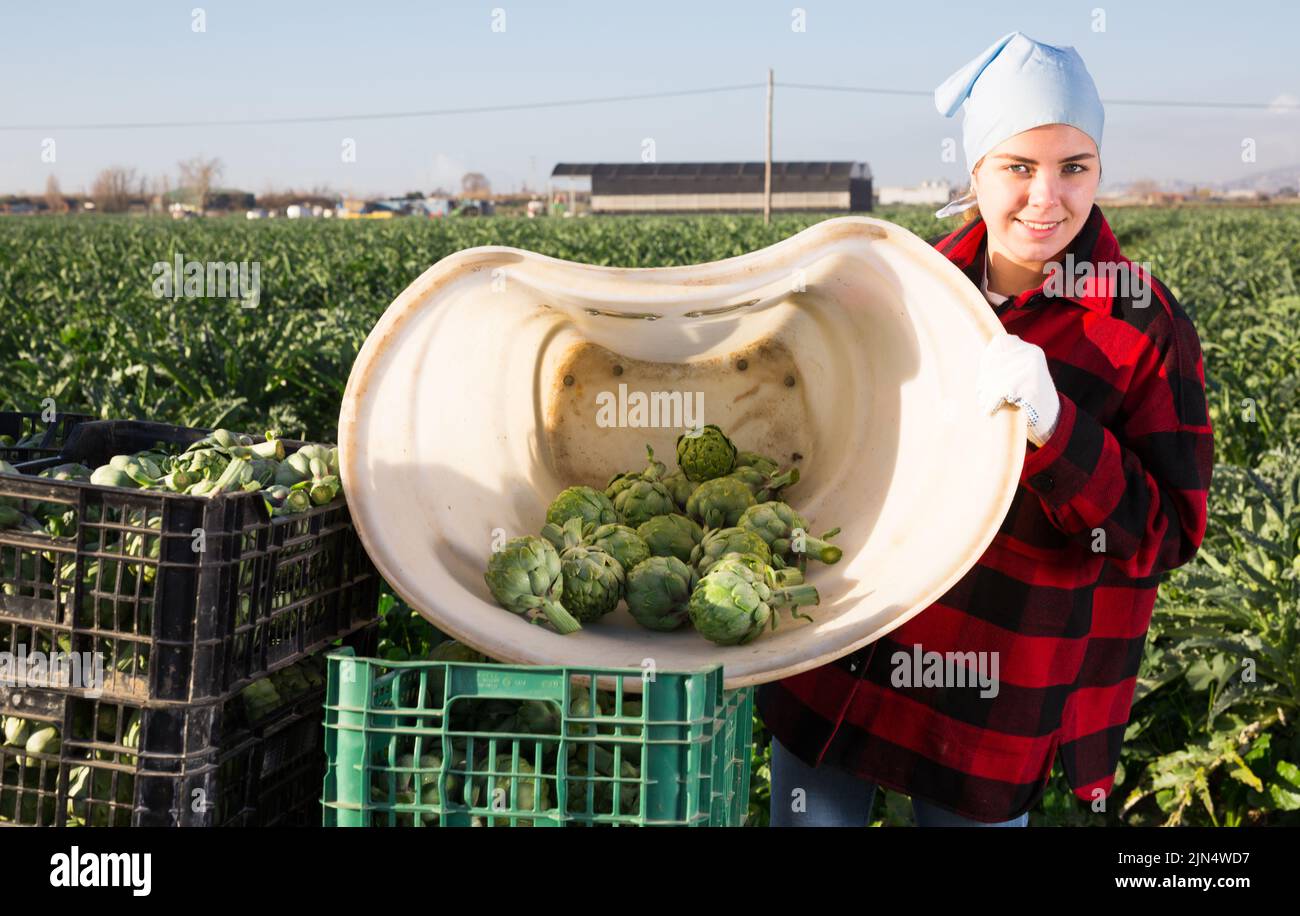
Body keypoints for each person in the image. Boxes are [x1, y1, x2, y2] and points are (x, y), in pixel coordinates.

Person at [758, 31, 1213, 827]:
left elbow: (1167, 534)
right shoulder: (912, 289)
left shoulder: (1143, 325)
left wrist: (1059, 430)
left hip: (994, 693)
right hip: (849, 659)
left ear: (1099, 169)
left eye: (1074, 167)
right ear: (975, 171)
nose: (1047, 198)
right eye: (1018, 168)